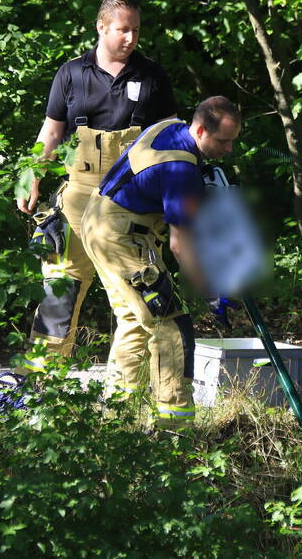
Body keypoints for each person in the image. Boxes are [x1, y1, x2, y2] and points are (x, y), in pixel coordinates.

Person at [15, 0, 177, 369]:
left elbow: (170, 140)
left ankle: (122, 402)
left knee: (132, 300)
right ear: (101, 27)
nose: (131, 38)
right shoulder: (71, 74)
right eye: (123, 30)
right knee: (60, 291)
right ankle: (42, 389)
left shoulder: (152, 76)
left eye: (136, 30)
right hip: (77, 198)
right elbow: (51, 133)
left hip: (130, 203)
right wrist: (32, 177)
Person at [79, 96, 241, 427]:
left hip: (96, 222)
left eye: (232, 141)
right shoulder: (180, 169)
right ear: (199, 129)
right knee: (170, 321)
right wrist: (209, 289)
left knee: (135, 320)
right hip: (121, 237)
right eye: (223, 141)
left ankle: (116, 415)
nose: (229, 150)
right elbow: (181, 245)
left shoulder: (168, 127)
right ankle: (174, 425)